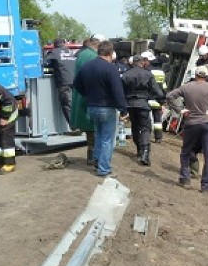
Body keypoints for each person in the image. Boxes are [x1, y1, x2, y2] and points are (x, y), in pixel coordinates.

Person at [165, 65, 208, 193]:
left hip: (191, 123)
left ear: (195, 75)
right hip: (207, 124)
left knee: (186, 152)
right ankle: (206, 186)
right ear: (206, 76)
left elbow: (169, 97)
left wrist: (180, 110)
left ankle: (185, 179)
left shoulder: (186, 87)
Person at [72, 40, 129, 177]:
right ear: (110, 53)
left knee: (98, 134)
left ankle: (97, 160)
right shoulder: (111, 69)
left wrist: (87, 95)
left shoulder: (86, 67)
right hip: (107, 108)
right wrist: (123, 110)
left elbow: (76, 84)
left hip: (92, 107)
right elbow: (117, 91)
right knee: (107, 139)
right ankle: (104, 168)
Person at [121, 50, 166, 166]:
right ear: (142, 63)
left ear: (132, 63)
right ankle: (145, 154)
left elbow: (121, 92)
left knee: (135, 127)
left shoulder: (125, 75)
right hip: (143, 104)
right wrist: (160, 99)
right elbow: (158, 92)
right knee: (146, 128)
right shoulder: (148, 74)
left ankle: (139, 150)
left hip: (130, 104)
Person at [71, 34, 105, 165]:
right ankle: (93, 157)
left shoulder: (83, 54)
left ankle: (91, 154)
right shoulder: (92, 56)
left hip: (82, 95)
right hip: (89, 97)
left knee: (90, 129)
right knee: (94, 127)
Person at [44, 38, 77, 125]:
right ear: (64, 44)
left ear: (54, 45)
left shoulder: (53, 52)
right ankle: (79, 124)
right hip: (75, 80)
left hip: (64, 81)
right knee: (75, 104)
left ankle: (74, 126)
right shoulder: (70, 52)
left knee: (67, 104)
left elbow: (45, 63)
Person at [148, 53, 167, 143]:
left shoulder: (147, 71)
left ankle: (146, 135)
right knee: (157, 120)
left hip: (148, 99)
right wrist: (163, 101)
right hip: (158, 100)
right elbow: (164, 87)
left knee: (146, 119)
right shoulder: (162, 72)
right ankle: (158, 138)